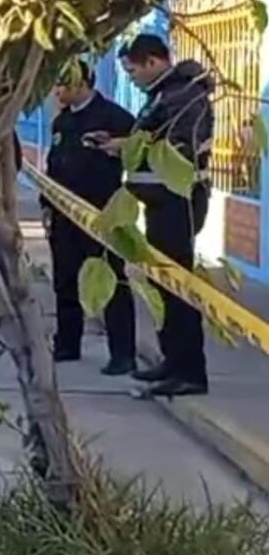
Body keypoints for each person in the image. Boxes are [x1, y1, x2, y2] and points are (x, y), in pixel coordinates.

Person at [90, 34, 214, 398]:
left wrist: (127, 146)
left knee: (177, 286)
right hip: (160, 202)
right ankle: (172, 360)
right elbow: (149, 142)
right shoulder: (163, 96)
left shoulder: (184, 97)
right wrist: (120, 145)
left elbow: (176, 148)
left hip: (179, 202)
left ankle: (190, 371)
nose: (130, 78)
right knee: (163, 283)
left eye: (131, 70)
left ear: (153, 62)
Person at [42, 62, 137, 375]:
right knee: (65, 280)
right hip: (64, 214)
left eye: (62, 85)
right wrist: (47, 205)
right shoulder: (62, 122)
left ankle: (123, 353)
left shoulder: (116, 118)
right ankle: (68, 343)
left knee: (110, 281)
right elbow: (52, 165)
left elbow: (139, 157)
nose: (57, 92)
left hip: (101, 214)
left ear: (81, 83)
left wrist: (115, 149)